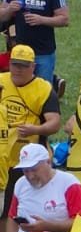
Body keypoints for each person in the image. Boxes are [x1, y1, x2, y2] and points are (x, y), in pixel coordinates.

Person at [0, 44, 61, 203]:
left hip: (29, 161)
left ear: (33, 67)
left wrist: (36, 129)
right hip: (3, 158)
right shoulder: (1, 82)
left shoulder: (43, 89)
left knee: (29, 205)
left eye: (23, 66)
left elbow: (54, 123)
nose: (18, 70)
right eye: (15, 65)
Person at [0, 0, 65, 85]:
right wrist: (9, 9)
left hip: (43, 52)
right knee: (20, 87)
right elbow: (1, 15)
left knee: (42, 88)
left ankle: (54, 85)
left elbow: (64, 19)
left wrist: (42, 20)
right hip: (20, 52)